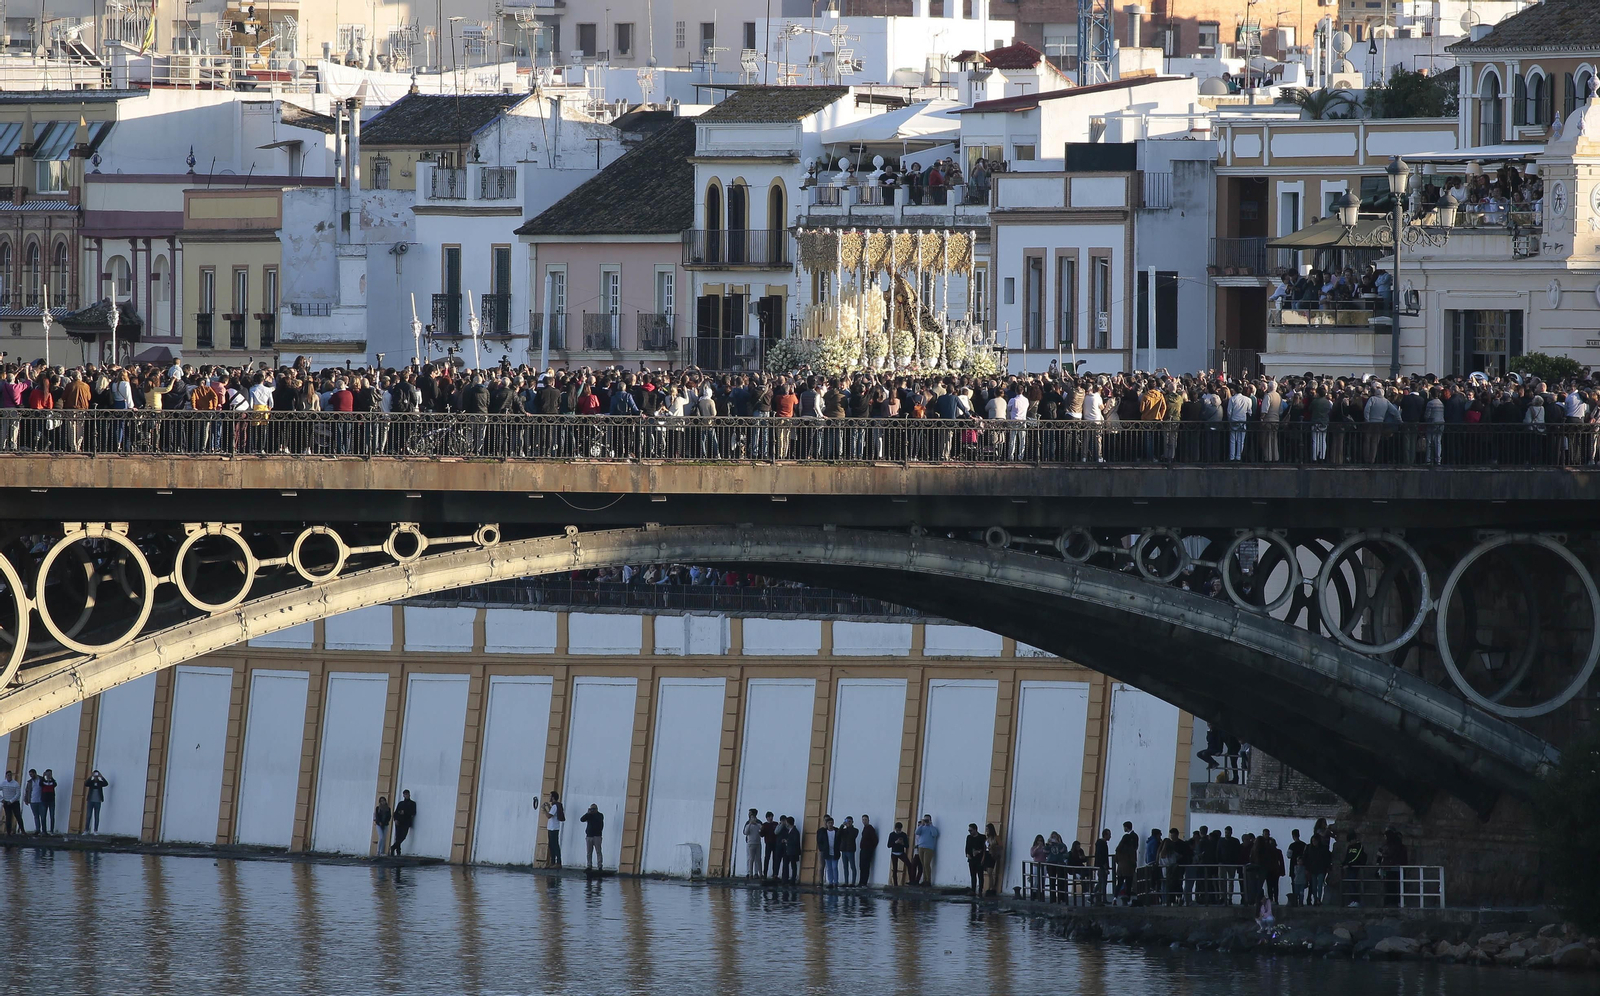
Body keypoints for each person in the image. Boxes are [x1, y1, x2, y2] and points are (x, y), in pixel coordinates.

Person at [1113, 821, 1139, 904]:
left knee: (1119, 883)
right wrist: (1134, 865)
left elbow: (1116, 859)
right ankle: (1127, 900)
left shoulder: (1119, 849)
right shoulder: (1130, 848)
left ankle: (1114, 898)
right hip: (1128, 868)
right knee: (1128, 884)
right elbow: (1132, 858)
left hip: (1120, 868)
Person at [81, 769, 109, 835]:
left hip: (98, 801)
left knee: (96, 816)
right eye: (95, 775)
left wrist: (101, 776)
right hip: (90, 801)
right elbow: (86, 783)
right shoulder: (91, 782)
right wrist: (91, 776)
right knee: (88, 816)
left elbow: (106, 783)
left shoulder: (100, 782)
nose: (96, 776)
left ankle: (95, 830)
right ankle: (86, 830)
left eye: (97, 775)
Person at [914, 814, 939, 886]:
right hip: (921, 847)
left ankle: (928, 880)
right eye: (925, 819)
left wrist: (930, 825)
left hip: (929, 848)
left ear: (930, 820)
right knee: (923, 864)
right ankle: (924, 880)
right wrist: (922, 824)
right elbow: (917, 832)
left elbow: (934, 834)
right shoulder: (922, 827)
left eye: (927, 819)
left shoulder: (933, 828)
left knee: (926, 864)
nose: (926, 821)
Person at [390, 789, 416, 856]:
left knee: (403, 836)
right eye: (405, 794)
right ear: (403, 795)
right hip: (399, 821)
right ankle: (398, 852)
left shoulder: (412, 803)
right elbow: (395, 813)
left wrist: (405, 812)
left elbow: (413, 812)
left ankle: (393, 847)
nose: (406, 795)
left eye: (407, 794)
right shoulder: (401, 803)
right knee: (398, 837)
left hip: (406, 822)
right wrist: (395, 820)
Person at [964, 823, 988, 895]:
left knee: (980, 875)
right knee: (973, 875)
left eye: (971, 830)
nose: (970, 832)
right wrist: (967, 854)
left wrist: (979, 852)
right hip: (971, 858)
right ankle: (973, 889)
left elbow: (984, 848)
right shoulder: (969, 837)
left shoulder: (982, 837)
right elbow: (967, 847)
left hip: (979, 858)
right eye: (969, 830)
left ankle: (980, 890)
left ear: (975, 830)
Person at [817, 815, 840, 886]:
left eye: (831, 823)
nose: (830, 824)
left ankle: (836, 882)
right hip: (827, 852)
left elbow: (840, 839)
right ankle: (830, 882)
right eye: (829, 823)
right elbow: (819, 841)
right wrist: (823, 849)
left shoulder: (836, 831)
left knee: (835, 867)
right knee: (829, 868)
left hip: (835, 852)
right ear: (826, 824)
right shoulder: (823, 832)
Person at [580, 803, 605, 870]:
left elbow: (598, 821)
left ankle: (600, 865)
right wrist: (588, 813)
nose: (592, 810)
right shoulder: (589, 815)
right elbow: (582, 819)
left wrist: (591, 814)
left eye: (594, 809)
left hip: (597, 836)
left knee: (598, 851)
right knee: (589, 852)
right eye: (591, 809)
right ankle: (589, 865)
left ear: (597, 809)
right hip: (589, 836)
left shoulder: (600, 815)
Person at [545, 790, 566, 866]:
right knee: (552, 845)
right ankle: (554, 862)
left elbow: (549, 816)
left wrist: (544, 810)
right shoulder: (555, 806)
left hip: (553, 828)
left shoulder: (554, 806)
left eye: (550, 796)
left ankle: (556, 862)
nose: (549, 797)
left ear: (553, 797)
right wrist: (548, 807)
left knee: (554, 845)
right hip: (553, 828)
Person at [837, 816, 859, 886]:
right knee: (845, 867)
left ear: (852, 822)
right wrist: (842, 826)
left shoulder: (855, 830)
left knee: (852, 866)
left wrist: (849, 828)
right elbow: (838, 835)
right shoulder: (843, 830)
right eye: (847, 821)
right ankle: (846, 882)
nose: (848, 823)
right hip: (844, 850)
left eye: (850, 821)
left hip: (850, 850)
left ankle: (853, 882)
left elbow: (852, 836)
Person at [888, 820, 911, 885]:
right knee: (895, 869)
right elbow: (889, 845)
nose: (898, 831)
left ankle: (911, 880)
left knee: (909, 864)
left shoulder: (903, 835)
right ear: (895, 828)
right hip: (894, 853)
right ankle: (895, 884)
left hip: (901, 853)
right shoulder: (892, 834)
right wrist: (896, 842)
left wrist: (902, 843)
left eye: (899, 830)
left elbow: (907, 845)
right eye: (897, 830)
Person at [859, 814, 879, 885]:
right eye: (863, 820)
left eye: (865, 819)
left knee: (866, 866)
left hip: (867, 850)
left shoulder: (870, 828)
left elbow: (875, 840)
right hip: (863, 849)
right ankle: (861, 882)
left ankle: (864, 882)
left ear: (868, 820)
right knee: (861, 866)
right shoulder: (865, 828)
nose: (864, 821)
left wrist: (870, 848)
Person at [743, 808, 763, 878]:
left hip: (757, 842)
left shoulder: (759, 822)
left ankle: (756, 873)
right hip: (750, 842)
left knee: (758, 858)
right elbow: (745, 832)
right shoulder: (748, 823)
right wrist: (750, 824)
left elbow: (762, 832)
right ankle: (749, 872)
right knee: (750, 858)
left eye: (750, 813)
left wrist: (757, 825)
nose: (748, 814)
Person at [1093, 828, 1111, 904]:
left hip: (1100, 866)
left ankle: (1092, 896)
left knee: (1101, 882)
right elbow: (1102, 857)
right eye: (1109, 835)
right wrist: (1105, 866)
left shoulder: (1100, 843)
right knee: (1103, 882)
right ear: (1105, 835)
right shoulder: (1102, 844)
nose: (1110, 836)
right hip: (1102, 866)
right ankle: (1103, 898)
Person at [760, 811, 779, 880]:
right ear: (767, 818)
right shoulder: (765, 825)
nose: (771, 818)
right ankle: (765, 873)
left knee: (775, 859)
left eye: (771, 817)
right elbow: (762, 835)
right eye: (769, 817)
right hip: (768, 843)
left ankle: (775, 874)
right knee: (767, 858)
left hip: (775, 843)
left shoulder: (775, 824)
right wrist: (761, 830)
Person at [0, 770, 20, 835]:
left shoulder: (15, 783)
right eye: (8, 775)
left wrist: (11, 801)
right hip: (6, 802)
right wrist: (1, 799)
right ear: (6, 776)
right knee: (8, 817)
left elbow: (18, 794)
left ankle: (22, 830)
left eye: (10, 775)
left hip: (14, 802)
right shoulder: (3, 783)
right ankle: (8, 832)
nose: (9, 776)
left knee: (18, 816)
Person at [39, 769, 57, 834]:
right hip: (44, 800)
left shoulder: (52, 781)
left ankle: (51, 830)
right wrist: (43, 777)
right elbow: (40, 784)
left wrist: (51, 778)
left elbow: (55, 784)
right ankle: (44, 830)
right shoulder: (43, 781)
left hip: (51, 800)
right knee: (43, 816)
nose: (49, 775)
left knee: (52, 816)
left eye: (50, 774)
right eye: (48, 774)